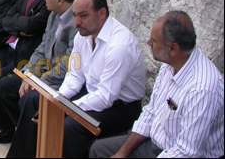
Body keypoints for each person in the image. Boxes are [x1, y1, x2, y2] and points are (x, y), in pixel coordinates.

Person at [26, 0, 146, 158]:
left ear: (102, 13)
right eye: (74, 15)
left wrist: (65, 109)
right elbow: (75, 76)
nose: (77, 22)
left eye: (83, 15)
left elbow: (106, 97)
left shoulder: (120, 45)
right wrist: (58, 101)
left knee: (70, 126)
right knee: (38, 102)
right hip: (93, 94)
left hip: (121, 107)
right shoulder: (84, 34)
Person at [90, 11, 224, 159]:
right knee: (99, 150)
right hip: (156, 145)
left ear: (173, 49)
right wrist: (122, 153)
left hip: (179, 154)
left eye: (154, 40)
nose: (148, 42)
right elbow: (151, 112)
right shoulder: (170, 64)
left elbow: (186, 151)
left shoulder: (202, 89)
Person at [0, 0, 78, 151]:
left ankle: (28, 144)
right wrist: (28, 74)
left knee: (30, 99)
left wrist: (37, 82)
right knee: (5, 86)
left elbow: (68, 65)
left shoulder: (76, 23)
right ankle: (24, 131)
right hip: (42, 73)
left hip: (59, 81)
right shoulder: (54, 15)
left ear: (60, 0)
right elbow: (42, 47)